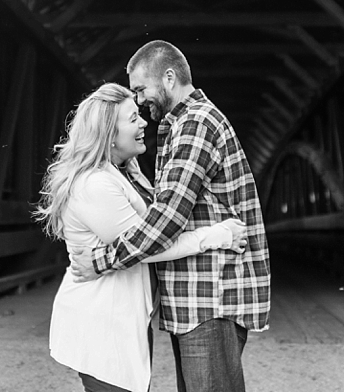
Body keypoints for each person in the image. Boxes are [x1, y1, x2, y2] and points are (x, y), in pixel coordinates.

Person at [70, 41, 271, 392]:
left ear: (168, 77)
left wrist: (100, 260)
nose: (140, 99)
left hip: (210, 296)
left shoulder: (195, 124)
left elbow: (167, 218)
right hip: (197, 298)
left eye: (141, 89)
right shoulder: (178, 126)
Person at [35, 83, 247, 392]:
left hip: (119, 321)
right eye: (133, 118)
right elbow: (146, 246)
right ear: (109, 131)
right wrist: (215, 235)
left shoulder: (120, 173)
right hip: (102, 325)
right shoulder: (95, 184)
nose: (143, 122)